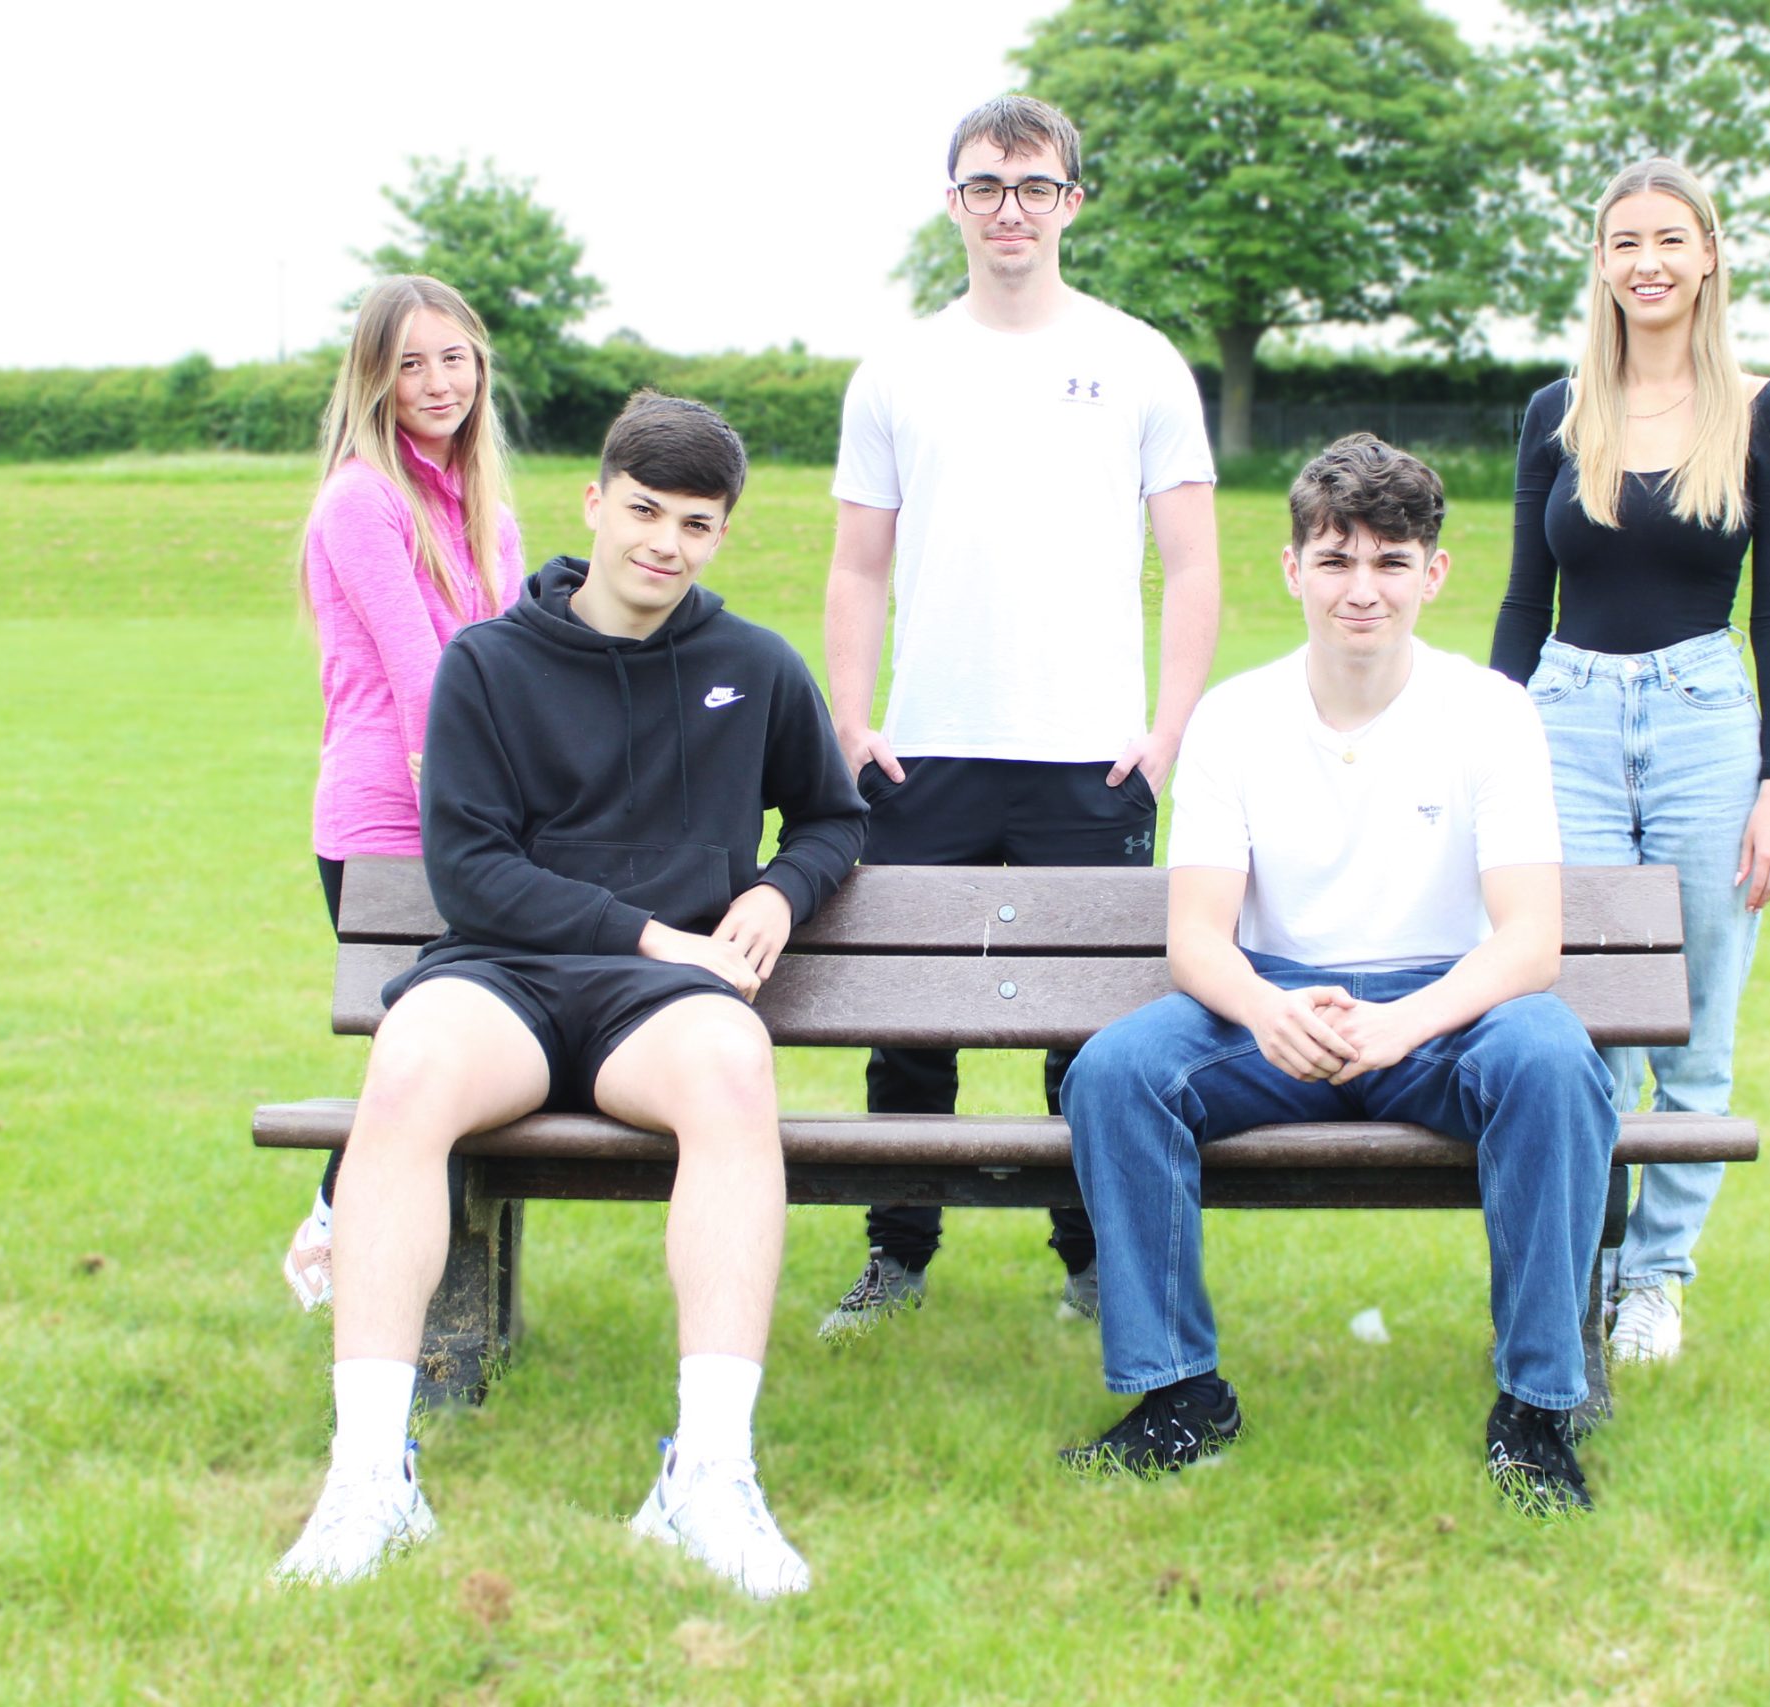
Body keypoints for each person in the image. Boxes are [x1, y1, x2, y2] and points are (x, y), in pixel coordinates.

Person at [273, 393, 869, 1596]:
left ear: (721, 533)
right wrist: (654, 933)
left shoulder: (754, 666)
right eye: (644, 511)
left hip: (661, 1007)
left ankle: (707, 1476)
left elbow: (831, 817)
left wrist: (779, 892)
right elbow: (471, 872)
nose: (665, 543)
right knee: (407, 1062)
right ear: (595, 503)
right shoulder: (487, 663)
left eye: (695, 524)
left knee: (733, 1068)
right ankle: (368, 1482)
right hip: (508, 975)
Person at [1061, 435, 1619, 1513]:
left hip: (1443, 1005)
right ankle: (1179, 1395)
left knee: (1554, 1062)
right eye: (1335, 559)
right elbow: (1198, 940)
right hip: (1277, 1000)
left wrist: (1404, 1023)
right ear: (1293, 569)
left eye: (1390, 561)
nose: (1362, 589)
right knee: (1116, 1072)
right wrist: (1267, 1008)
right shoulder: (1234, 715)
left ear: (1433, 573)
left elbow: (1529, 941)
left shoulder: (1491, 711)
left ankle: (1536, 1412)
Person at [819, 92, 1221, 1337]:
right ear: (953, 203)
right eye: (987, 186)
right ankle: (896, 1257)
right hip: (925, 753)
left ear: (1071, 203)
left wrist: (1167, 733)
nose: (1011, 209)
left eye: (1035, 186)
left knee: (1092, 1036)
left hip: (1088, 758)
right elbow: (858, 567)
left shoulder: (1139, 359)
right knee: (908, 1029)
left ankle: (1094, 1265)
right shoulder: (898, 368)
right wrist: (851, 722)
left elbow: (1193, 565)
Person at [1489, 157, 1770, 1365]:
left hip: (1704, 724)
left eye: (1671, 239)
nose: (1648, 262)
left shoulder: (1763, 413)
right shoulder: (1557, 411)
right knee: (1578, 1025)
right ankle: (1578, 1268)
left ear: (1708, 255)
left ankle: (1656, 1279)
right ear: (1601, 262)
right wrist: (1488, 747)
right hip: (1562, 721)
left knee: (1693, 1026)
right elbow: (1522, 600)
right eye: (1625, 242)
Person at [283, 274, 525, 1311]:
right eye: (411, 363)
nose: (437, 382)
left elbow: (511, 669)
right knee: (413, 1053)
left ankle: (352, 1237)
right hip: (387, 822)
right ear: (375, 379)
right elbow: (420, 673)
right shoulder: (361, 498)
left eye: (454, 358)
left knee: (445, 1053)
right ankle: (337, 1228)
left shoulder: (489, 513)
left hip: (477, 822)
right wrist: (476, 821)